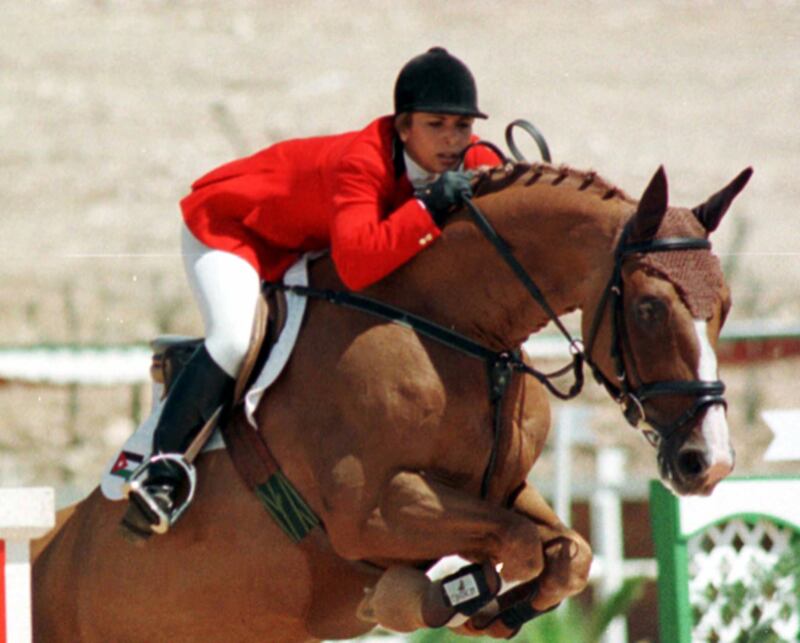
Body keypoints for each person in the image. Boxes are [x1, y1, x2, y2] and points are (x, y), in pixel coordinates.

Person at [122, 47, 502, 537]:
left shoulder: (468, 156)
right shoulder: (360, 163)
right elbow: (360, 262)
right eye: (436, 125)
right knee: (235, 338)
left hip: (300, 246)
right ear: (403, 127)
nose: (452, 141)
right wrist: (428, 209)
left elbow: (499, 178)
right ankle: (161, 470)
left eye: (462, 127)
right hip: (232, 230)